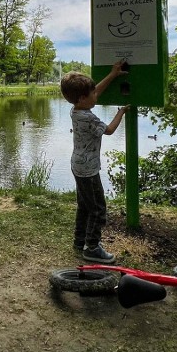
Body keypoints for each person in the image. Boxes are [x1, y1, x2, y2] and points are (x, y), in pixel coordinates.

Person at [60, 59, 130, 264]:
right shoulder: (88, 118)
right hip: (88, 169)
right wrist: (121, 112)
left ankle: (79, 240)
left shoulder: (75, 109)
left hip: (78, 165)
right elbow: (108, 131)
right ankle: (92, 247)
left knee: (84, 205)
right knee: (98, 209)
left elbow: (95, 91)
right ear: (83, 98)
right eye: (92, 94)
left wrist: (113, 74)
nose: (96, 96)